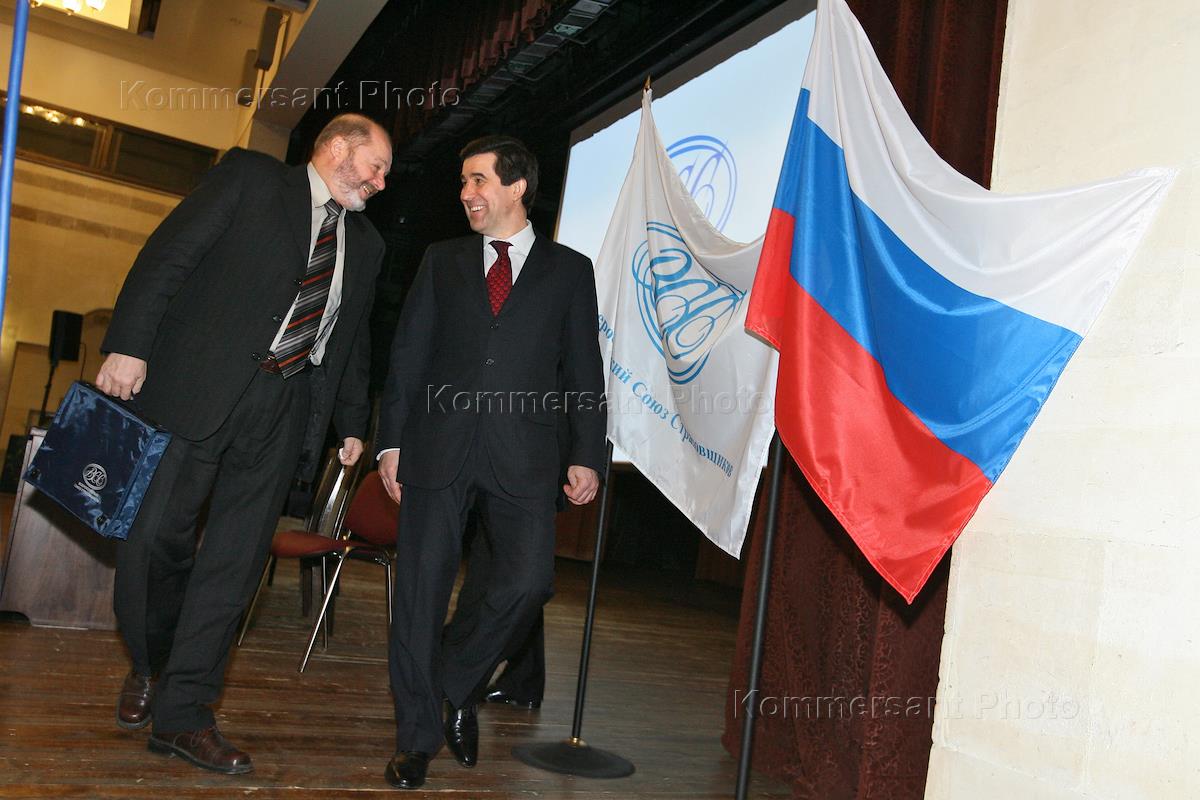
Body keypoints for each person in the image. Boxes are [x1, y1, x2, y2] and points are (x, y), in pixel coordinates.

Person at [96, 113, 391, 775]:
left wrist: (352, 424)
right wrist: (129, 344)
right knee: (153, 542)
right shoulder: (251, 180)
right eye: (375, 167)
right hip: (197, 388)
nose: (380, 184)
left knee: (235, 566)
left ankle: (185, 714)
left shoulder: (367, 245)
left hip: (286, 407)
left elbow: (352, 338)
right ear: (338, 149)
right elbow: (167, 256)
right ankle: (151, 661)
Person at [376, 135, 606, 789]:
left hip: (525, 454)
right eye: (463, 182)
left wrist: (587, 453)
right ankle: (416, 739)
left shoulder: (570, 270)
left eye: (477, 180)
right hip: (436, 447)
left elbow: (583, 370)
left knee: (529, 583)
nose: (466, 194)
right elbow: (408, 355)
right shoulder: (441, 260)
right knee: (419, 595)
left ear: (517, 186)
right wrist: (391, 443)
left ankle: (449, 685)